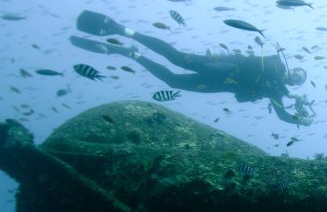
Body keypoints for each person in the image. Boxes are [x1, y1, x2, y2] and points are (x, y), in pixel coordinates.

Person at [69, 10, 314, 126]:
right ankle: (125, 31)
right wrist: (286, 91)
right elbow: (270, 71)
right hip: (223, 68)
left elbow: (282, 115)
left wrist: (300, 120)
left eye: (296, 80)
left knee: (174, 82)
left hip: (217, 85)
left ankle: (133, 55)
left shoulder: (278, 93)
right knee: (176, 57)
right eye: (295, 73)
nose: (292, 77)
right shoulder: (275, 64)